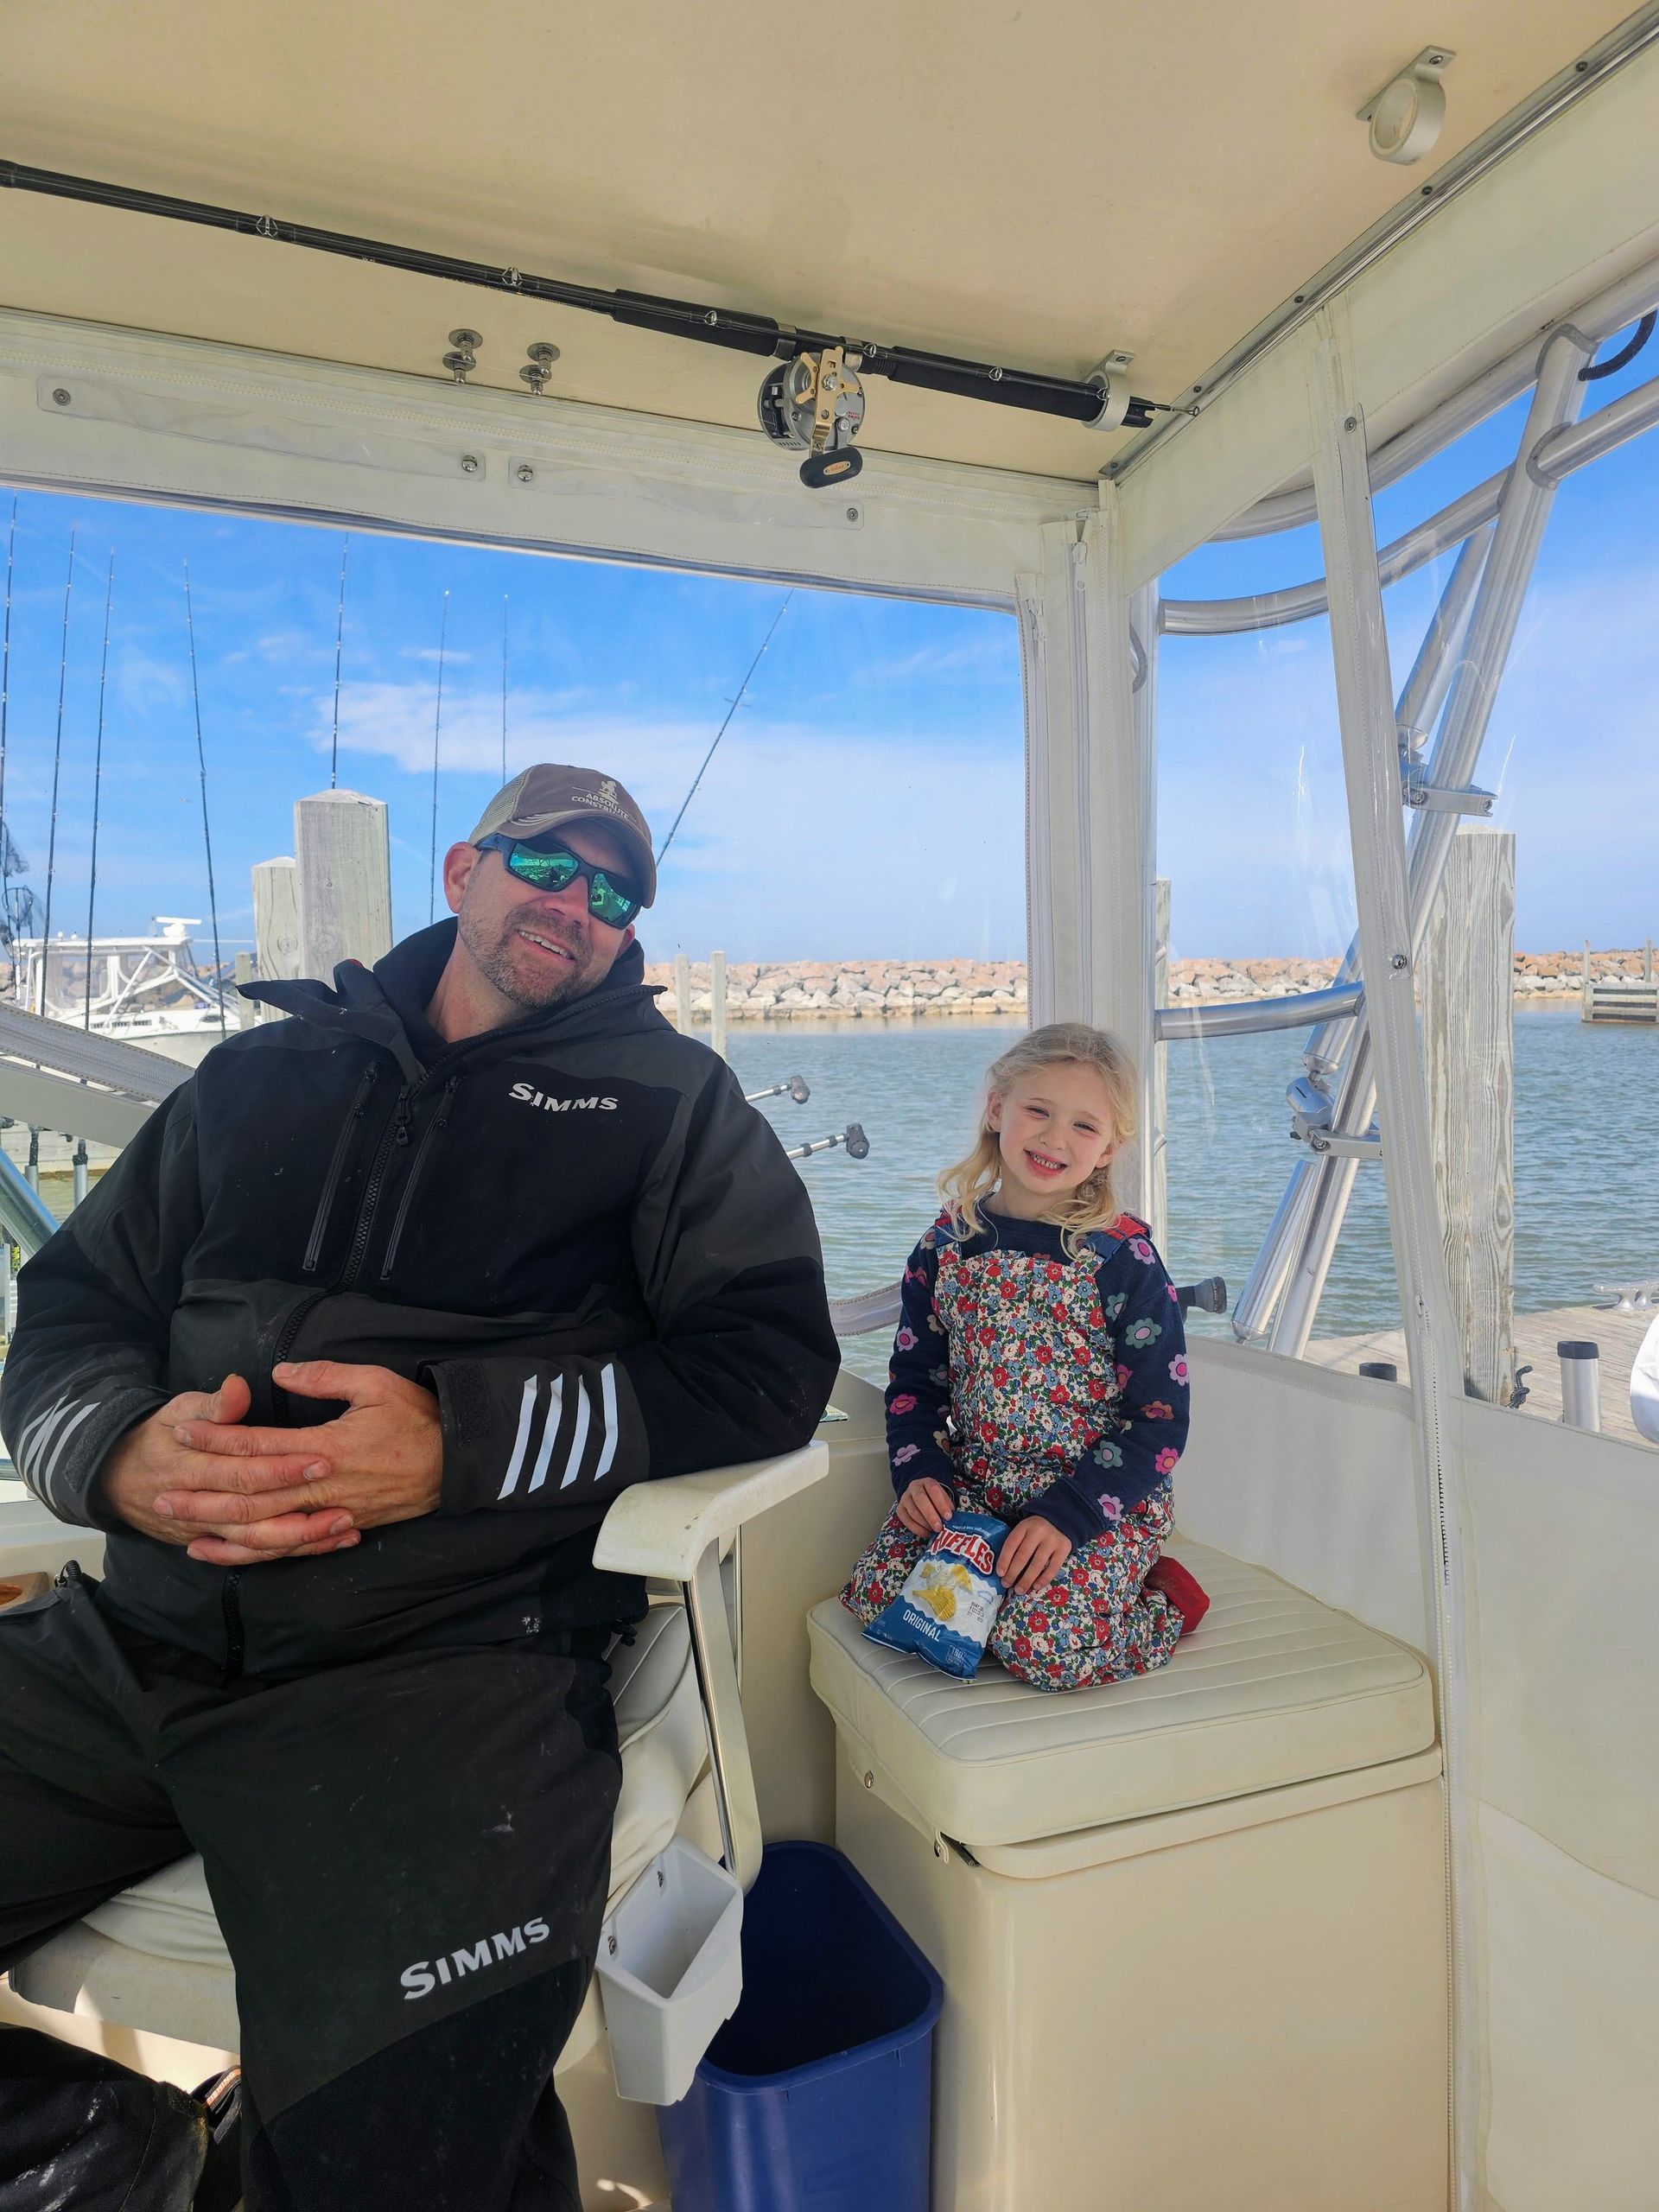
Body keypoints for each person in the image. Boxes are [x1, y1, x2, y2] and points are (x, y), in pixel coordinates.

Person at [0, 763, 840, 2212]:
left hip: (447, 1676)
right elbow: (73, 1312)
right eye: (546, 866)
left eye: (615, 891)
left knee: (398, 2164)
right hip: (132, 1640)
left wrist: (460, 1444)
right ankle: (104, 2153)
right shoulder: (255, 1077)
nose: (578, 906)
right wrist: (121, 1458)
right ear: (462, 870)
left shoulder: (670, 1103)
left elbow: (768, 1364)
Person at [842, 1023, 1208, 1690]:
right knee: (879, 1599)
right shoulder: (945, 1245)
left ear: (1107, 1150)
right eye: (1038, 1110)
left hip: (1091, 1501)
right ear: (996, 1110)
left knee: (1039, 1647)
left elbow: (1160, 1421)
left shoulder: (1123, 1260)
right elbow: (914, 1386)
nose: (1054, 1139)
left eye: (1084, 1126)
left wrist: (1069, 1517)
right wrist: (920, 1471)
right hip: (978, 1487)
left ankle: (1159, 1598)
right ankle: (1042, 1586)